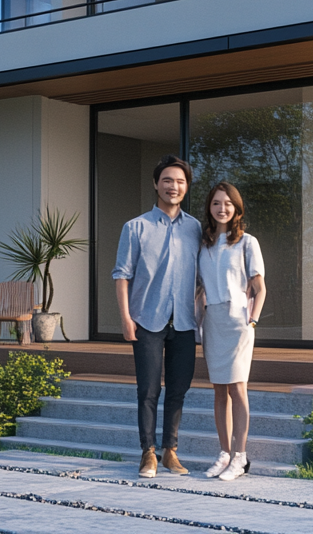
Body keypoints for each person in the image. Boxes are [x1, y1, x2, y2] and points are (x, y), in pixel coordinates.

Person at [112, 155, 201, 479]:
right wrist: (125, 318)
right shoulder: (135, 227)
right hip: (146, 320)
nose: (173, 186)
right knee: (148, 390)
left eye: (179, 181)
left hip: (185, 322)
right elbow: (121, 274)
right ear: (155, 184)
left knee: (179, 389)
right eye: (167, 180)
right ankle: (147, 452)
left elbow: (203, 275)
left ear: (186, 186)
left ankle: (170, 452)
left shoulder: (195, 228)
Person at [196, 181, 266, 481]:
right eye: (216, 203)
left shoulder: (247, 242)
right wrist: (199, 324)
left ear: (236, 208)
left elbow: (260, 288)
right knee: (218, 390)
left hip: (238, 320)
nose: (222, 208)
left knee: (237, 388)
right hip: (212, 321)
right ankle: (224, 454)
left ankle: (240, 456)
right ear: (209, 208)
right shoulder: (203, 244)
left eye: (227, 203)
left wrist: (252, 320)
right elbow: (199, 288)